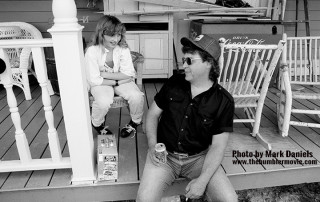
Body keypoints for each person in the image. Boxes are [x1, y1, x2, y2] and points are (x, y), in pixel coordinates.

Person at [136, 34, 237, 202]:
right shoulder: (174, 82)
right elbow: (152, 114)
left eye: (190, 61)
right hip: (164, 157)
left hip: (199, 159)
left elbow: (218, 146)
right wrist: (152, 144)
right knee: (144, 199)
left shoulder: (223, 101)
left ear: (209, 63)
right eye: (183, 60)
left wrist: (202, 182)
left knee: (229, 199)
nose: (184, 65)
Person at [85, 15, 144, 138]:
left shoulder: (122, 48)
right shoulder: (92, 51)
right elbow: (94, 80)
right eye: (112, 35)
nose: (116, 39)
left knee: (137, 96)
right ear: (101, 34)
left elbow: (129, 73)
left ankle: (135, 121)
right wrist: (117, 82)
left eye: (119, 35)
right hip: (104, 83)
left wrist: (105, 75)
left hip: (111, 80)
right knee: (103, 101)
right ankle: (97, 124)